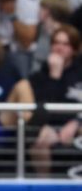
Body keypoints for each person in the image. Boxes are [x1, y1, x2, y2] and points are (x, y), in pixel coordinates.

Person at [29, 24, 82, 174]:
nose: (59, 48)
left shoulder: (80, 72)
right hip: (52, 126)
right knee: (40, 143)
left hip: (78, 122)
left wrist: (76, 123)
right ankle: (44, 187)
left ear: (74, 49)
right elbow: (43, 111)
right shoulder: (39, 77)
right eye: (56, 43)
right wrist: (54, 77)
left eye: (65, 44)